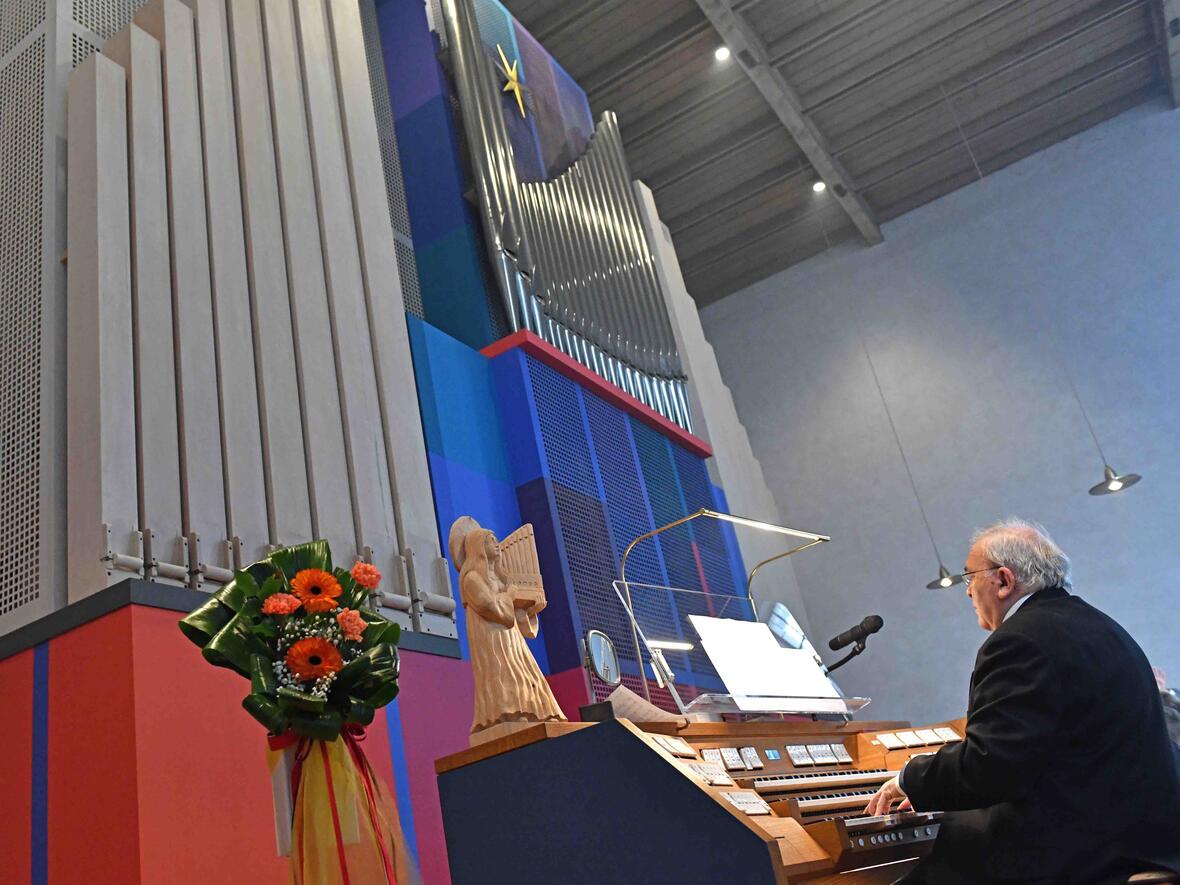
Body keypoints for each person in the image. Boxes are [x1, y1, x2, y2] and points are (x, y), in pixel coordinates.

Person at [863, 519, 1180, 884]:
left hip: (1089, 854)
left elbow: (989, 766)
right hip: (1140, 835)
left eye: (969, 578)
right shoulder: (1100, 625)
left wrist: (910, 778)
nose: (968, 593)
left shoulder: (1021, 640)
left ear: (1003, 581)